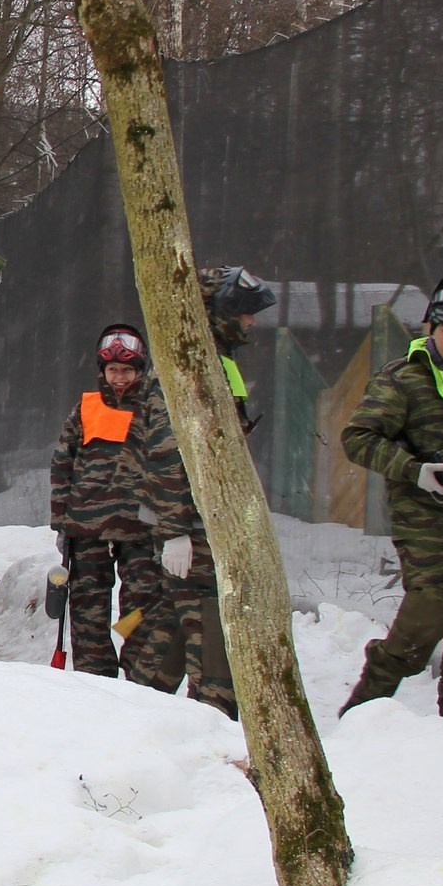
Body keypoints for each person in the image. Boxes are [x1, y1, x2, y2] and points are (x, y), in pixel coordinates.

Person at [340, 271, 443, 716]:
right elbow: (358, 438)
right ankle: (368, 705)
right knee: (430, 607)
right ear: (431, 329)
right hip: (424, 513)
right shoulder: (404, 378)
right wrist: (414, 470)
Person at [49, 324, 168, 681]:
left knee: (141, 607)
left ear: (139, 371)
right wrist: (60, 523)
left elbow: (170, 467)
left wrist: (170, 525)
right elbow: (62, 463)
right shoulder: (84, 408)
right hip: (86, 529)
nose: (120, 378)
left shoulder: (155, 410)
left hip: (141, 530)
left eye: (127, 370)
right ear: (103, 370)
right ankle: (94, 680)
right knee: (88, 609)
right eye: (114, 370)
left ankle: (136, 679)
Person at [129, 361, 239, 718]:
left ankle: (132, 706)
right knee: (207, 621)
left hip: (210, 522)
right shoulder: (186, 365)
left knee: (178, 620)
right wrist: (175, 530)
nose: (252, 321)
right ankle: (214, 718)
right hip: (193, 528)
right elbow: (166, 456)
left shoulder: (216, 362)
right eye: (246, 311)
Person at [199, 265, 278, 435]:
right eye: (247, 312)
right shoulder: (200, 362)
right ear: (228, 311)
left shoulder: (219, 356)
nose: (252, 321)